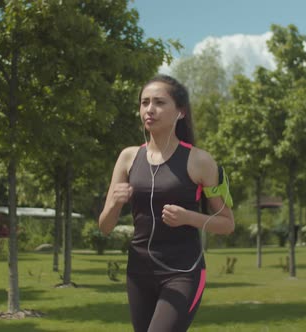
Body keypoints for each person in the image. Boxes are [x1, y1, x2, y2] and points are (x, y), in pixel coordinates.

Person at [98, 74, 235, 332]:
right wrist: (116, 203)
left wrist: (188, 218)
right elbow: (104, 227)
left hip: (183, 272)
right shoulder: (128, 157)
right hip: (138, 273)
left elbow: (227, 224)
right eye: (144, 102)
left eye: (159, 102)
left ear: (180, 112)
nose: (149, 109)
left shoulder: (200, 161)